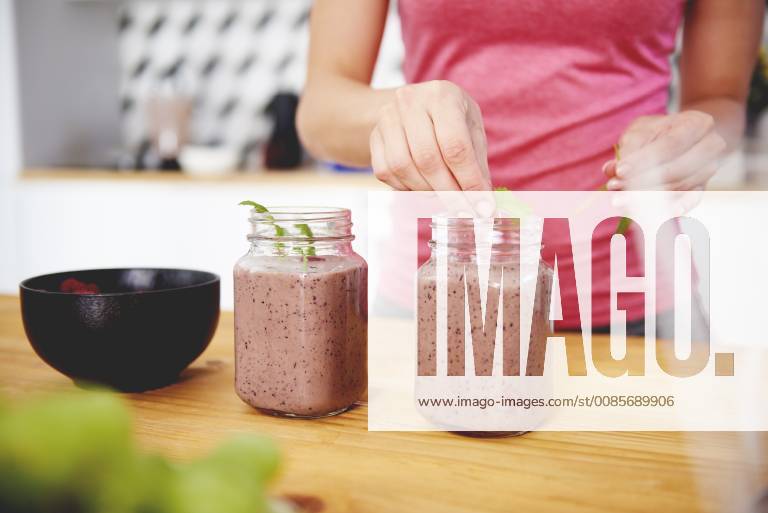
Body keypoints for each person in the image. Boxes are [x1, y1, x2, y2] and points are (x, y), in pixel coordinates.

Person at [296, 0, 763, 333]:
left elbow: (721, 101)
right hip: (436, 301)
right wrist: (391, 116)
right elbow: (319, 110)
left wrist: (694, 139)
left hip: (640, 303)